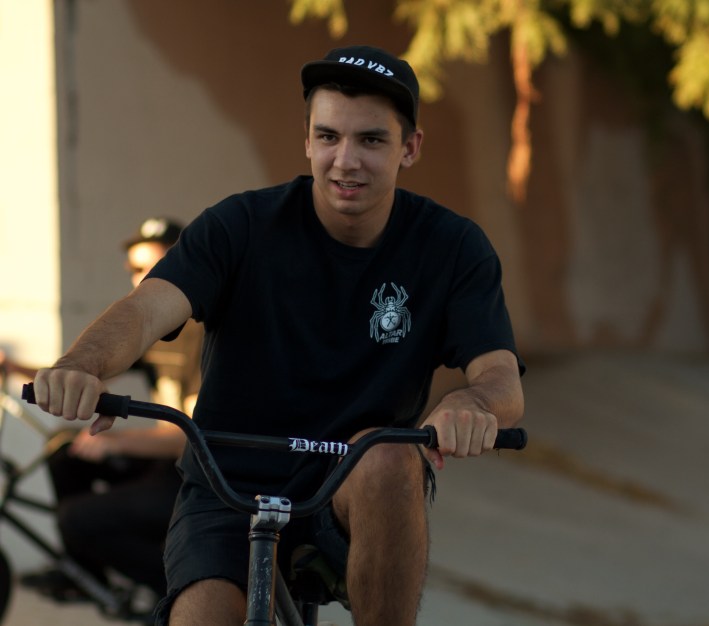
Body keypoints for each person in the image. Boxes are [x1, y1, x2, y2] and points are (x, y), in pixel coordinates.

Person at [31, 44, 525, 626]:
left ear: (410, 147)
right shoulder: (240, 226)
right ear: (307, 140)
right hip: (226, 487)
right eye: (328, 136)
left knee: (390, 452)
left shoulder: (452, 247)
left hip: (354, 488)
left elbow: (500, 379)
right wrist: (82, 364)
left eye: (371, 140)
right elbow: (145, 310)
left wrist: (473, 404)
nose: (346, 161)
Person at [13, 217, 203, 606]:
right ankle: (86, 575)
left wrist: (116, 442)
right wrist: (13, 368)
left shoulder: (202, 333)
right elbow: (85, 372)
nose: (143, 278)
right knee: (67, 454)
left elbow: (192, 436)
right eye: (135, 268)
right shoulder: (157, 328)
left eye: (155, 265)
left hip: (196, 476)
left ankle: (183, 596)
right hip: (166, 465)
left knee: (76, 518)